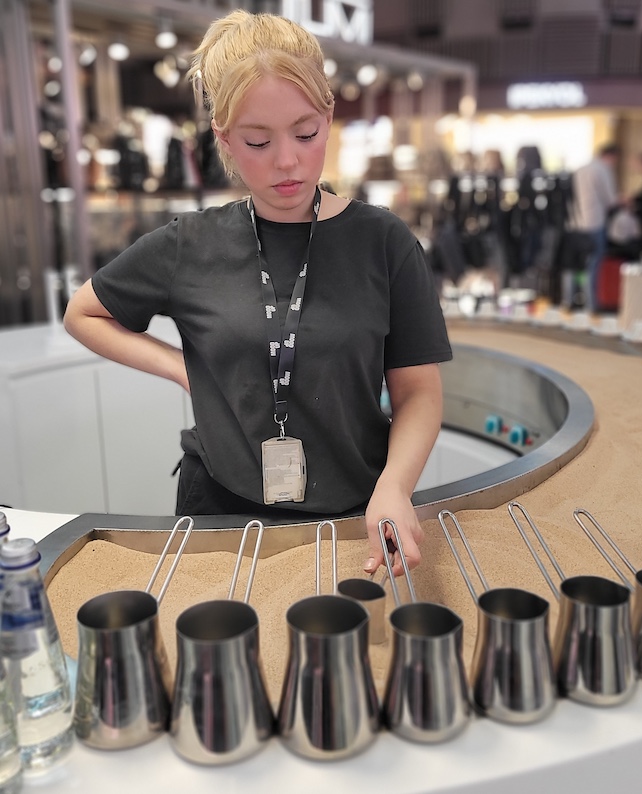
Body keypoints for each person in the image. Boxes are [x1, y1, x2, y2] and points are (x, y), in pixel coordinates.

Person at [63, 9, 451, 577]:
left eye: (306, 133)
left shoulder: (384, 242)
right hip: (217, 513)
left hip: (353, 514)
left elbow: (419, 392)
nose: (287, 161)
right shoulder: (189, 244)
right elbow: (82, 312)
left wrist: (395, 488)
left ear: (328, 116)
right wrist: (182, 370)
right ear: (223, 135)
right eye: (258, 141)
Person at [566, 143, 620, 312]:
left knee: (575, 265)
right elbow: (609, 199)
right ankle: (591, 304)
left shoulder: (579, 170)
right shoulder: (602, 170)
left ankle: (570, 300)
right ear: (611, 156)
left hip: (576, 223)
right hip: (595, 222)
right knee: (593, 264)